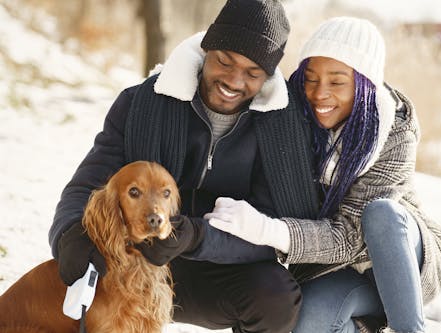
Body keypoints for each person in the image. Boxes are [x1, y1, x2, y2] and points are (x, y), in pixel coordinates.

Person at [48, 1, 321, 332]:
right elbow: (87, 186)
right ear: (207, 49)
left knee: (276, 295)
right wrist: (69, 235)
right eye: (225, 61)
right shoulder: (138, 103)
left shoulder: (281, 131)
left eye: (252, 73)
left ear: (266, 77)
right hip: (135, 261)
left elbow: (272, 231)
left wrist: (196, 236)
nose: (234, 81)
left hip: (220, 272)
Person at [205, 17, 441, 333]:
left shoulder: (394, 133)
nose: (319, 93)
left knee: (381, 214)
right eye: (310, 79)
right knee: (304, 322)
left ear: (365, 84)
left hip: (402, 261)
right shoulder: (295, 118)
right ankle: (366, 326)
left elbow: (350, 236)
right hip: (339, 269)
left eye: (337, 82)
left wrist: (268, 230)